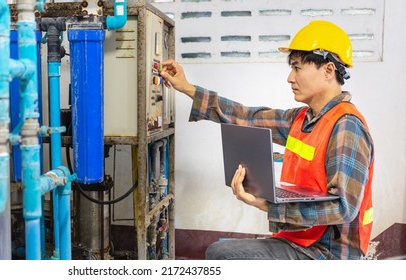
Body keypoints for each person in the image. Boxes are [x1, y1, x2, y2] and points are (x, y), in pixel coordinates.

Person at [160, 20, 374, 260]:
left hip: (327, 253)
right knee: (219, 251)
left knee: (222, 254)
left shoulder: (347, 126)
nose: (290, 78)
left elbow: (343, 208)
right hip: (300, 240)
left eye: (297, 67)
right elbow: (246, 116)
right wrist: (188, 88)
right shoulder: (301, 119)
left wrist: (266, 205)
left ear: (328, 70)